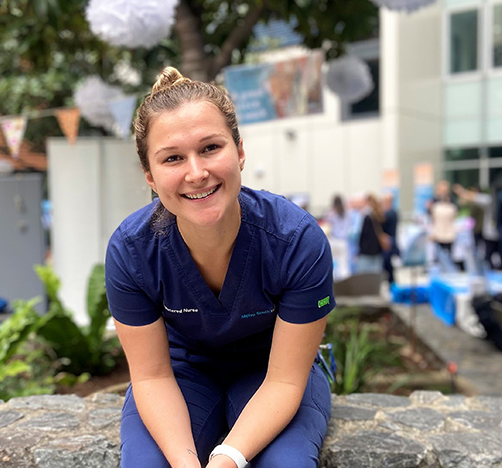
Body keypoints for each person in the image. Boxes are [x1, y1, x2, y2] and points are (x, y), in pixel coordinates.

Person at [104, 67, 334, 468]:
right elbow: (152, 376)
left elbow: (284, 380)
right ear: (150, 177)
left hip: (273, 373)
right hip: (180, 374)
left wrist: (228, 457)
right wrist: (185, 462)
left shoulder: (297, 241)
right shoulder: (132, 251)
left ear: (239, 151)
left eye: (210, 148)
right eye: (173, 158)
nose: (196, 173)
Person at [453, 184, 500, 270]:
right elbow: (475, 197)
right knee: (487, 258)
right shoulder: (489, 200)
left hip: (499, 235)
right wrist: (462, 192)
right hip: (490, 234)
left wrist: (462, 192)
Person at [428, 181, 459, 269]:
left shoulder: (435, 207)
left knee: (441, 257)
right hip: (446, 234)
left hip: (441, 234)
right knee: (446, 257)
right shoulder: (451, 207)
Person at [356, 194, 386, 273]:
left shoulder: (367, 217)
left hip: (366, 251)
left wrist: (359, 250)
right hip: (378, 250)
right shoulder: (380, 216)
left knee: (364, 277)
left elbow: (363, 235)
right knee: (376, 276)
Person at [380, 193, 399, 284]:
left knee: (388, 264)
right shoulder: (391, 212)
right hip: (390, 241)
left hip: (389, 242)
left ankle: (391, 282)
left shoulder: (391, 213)